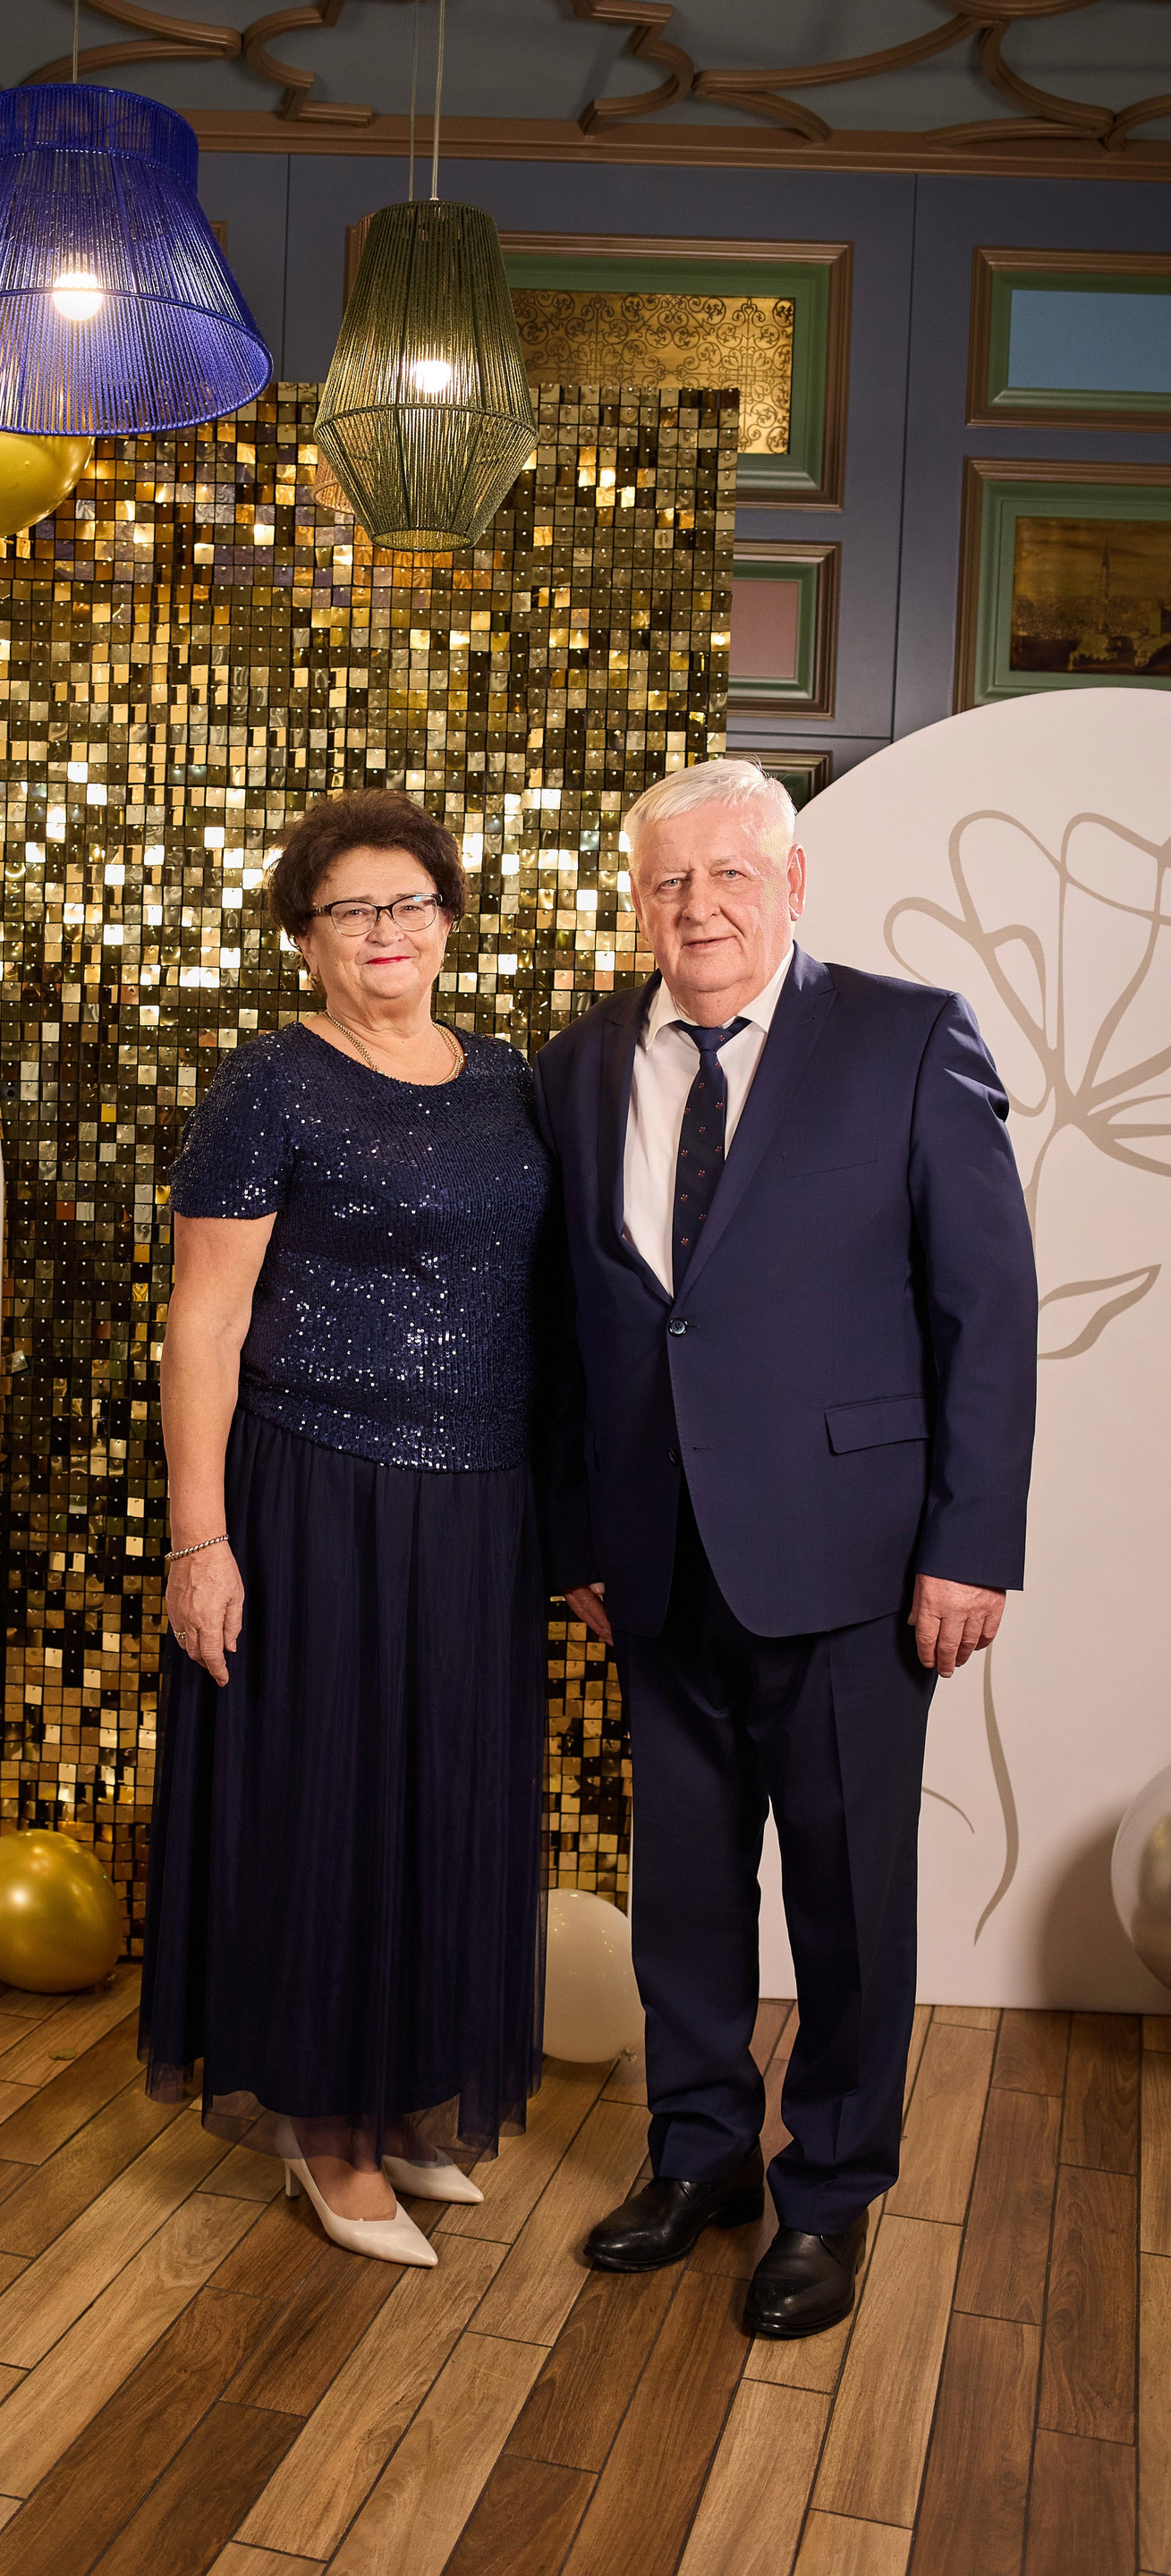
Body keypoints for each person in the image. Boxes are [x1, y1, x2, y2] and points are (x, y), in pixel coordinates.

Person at [534, 758, 1037, 2339]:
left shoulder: (907, 1038)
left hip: (854, 1560)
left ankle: (828, 2192)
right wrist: (576, 1529)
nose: (700, 909)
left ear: (793, 886)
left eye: (732, 876)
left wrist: (971, 1545)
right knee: (685, 1891)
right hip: (653, 1553)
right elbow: (568, 1323)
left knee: (846, 1898)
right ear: (637, 903)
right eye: (669, 882)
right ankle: (699, 2156)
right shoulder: (576, 1065)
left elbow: (988, 1310)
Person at [140, 788, 555, 2270]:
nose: (386, 931)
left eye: (410, 903)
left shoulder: (509, 1080)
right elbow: (203, 1323)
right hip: (315, 1493)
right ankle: (326, 2129)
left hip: (484, 1502)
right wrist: (201, 1541)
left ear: (449, 919)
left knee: (444, 1800)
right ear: (305, 940)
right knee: (328, 1804)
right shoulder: (272, 1081)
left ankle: (400, 2096)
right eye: (350, 911)